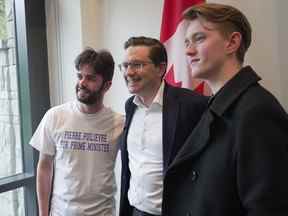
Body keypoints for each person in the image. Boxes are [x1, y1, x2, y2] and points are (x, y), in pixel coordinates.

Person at [162, 3, 288, 216]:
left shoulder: (257, 111)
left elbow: (268, 208)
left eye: (199, 38)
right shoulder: (218, 103)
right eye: (186, 42)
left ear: (232, 43)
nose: (188, 50)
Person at [118, 36, 208, 216]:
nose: (129, 72)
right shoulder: (130, 106)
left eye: (137, 65)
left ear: (160, 68)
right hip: (134, 211)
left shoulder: (192, 105)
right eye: (125, 65)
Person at [30, 48, 124, 216]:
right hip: (61, 212)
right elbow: (44, 166)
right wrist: (43, 213)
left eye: (90, 78)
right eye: (80, 76)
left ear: (107, 85)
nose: (82, 82)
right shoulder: (55, 116)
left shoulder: (119, 123)